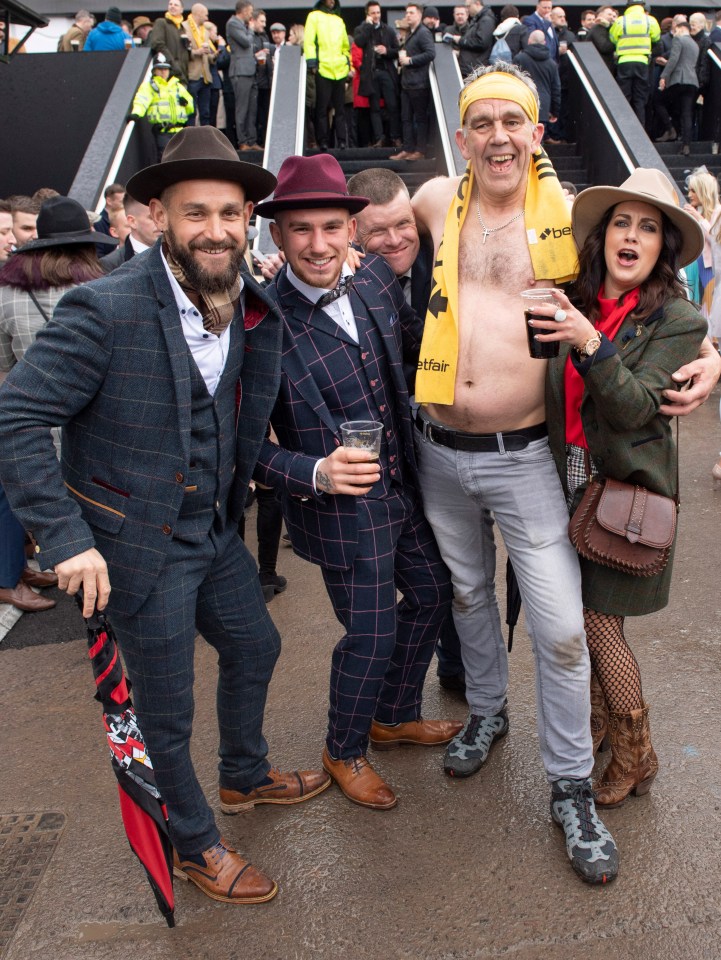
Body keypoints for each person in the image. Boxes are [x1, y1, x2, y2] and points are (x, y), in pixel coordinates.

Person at [0, 128, 330, 905]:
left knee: (256, 644)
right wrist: (69, 540)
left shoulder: (250, 301)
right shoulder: (103, 307)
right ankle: (193, 842)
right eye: (194, 214)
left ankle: (245, 777)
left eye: (228, 214)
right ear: (157, 215)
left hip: (212, 530)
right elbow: (15, 416)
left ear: (247, 217)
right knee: (167, 711)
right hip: (131, 547)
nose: (214, 230)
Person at [253, 153, 459, 812]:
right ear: (278, 238)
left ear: (351, 229)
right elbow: (239, 448)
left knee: (432, 591)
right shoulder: (258, 323)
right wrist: (311, 471)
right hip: (340, 510)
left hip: (402, 485)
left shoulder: (372, 278)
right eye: (300, 230)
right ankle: (342, 749)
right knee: (368, 635)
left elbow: (405, 356)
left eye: (329, 227)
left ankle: (392, 714)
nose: (317, 243)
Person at [538, 169, 707, 807]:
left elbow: (636, 408)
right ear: (603, 235)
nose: (631, 236)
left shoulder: (679, 320)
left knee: (599, 620)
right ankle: (602, 723)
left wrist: (590, 343)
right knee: (573, 616)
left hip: (623, 492)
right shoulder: (573, 297)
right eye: (622, 223)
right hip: (563, 477)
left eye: (648, 227)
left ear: (664, 246)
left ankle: (637, 750)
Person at [0, 197, 111, 613]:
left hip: (34, 433)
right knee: (103, 523)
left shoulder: (6, 295)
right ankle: (109, 609)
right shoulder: (104, 290)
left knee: (54, 517)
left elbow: (5, 374)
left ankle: (88, 606)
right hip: (97, 430)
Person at [389, 3, 435, 162]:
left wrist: (411, 60)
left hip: (419, 83)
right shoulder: (411, 33)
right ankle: (408, 149)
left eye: (411, 13)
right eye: (406, 13)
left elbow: (431, 53)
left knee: (419, 119)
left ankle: (420, 150)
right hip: (407, 83)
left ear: (419, 15)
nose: (407, 15)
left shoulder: (423, 33)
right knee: (406, 118)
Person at [353, 1, 401, 148]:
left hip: (386, 71)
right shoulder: (362, 29)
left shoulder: (389, 30)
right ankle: (379, 138)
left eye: (378, 12)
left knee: (392, 105)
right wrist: (368, 27)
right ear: (367, 14)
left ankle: (395, 137)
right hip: (371, 74)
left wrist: (386, 51)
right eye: (373, 13)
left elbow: (397, 51)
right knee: (374, 108)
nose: (376, 15)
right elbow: (359, 42)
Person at [304, 0, 350, 151]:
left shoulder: (339, 20)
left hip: (340, 69)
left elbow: (345, 45)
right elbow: (309, 41)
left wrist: (346, 61)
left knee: (340, 109)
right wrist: (312, 63)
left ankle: (342, 141)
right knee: (322, 108)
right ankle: (323, 141)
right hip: (323, 68)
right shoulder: (314, 16)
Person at [129, 55, 194, 161]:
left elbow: (191, 107)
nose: (163, 72)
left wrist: (186, 103)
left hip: (179, 130)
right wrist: (136, 113)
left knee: (182, 158)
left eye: (166, 69)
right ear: (154, 71)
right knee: (165, 158)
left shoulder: (177, 86)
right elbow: (141, 100)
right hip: (163, 131)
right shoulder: (150, 86)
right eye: (160, 69)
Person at [683, 169, 721, 348]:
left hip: (712, 270)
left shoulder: (717, 213)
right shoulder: (703, 213)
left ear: (703, 191)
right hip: (699, 266)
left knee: (711, 310)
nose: (689, 195)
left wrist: (698, 218)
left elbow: (716, 239)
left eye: (693, 191)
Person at [609, 0, 660, 125]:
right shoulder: (650, 20)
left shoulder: (621, 21)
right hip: (642, 62)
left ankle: (622, 127)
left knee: (624, 97)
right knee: (640, 99)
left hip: (624, 62)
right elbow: (656, 37)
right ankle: (640, 129)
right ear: (642, 6)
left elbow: (612, 38)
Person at [655, 16, 698, 156]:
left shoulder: (678, 39)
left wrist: (664, 76)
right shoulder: (694, 44)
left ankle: (670, 129)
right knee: (686, 113)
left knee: (659, 101)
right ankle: (686, 145)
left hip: (678, 79)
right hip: (692, 81)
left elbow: (674, 59)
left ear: (680, 28)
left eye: (676, 29)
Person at [100, 193, 163, 272]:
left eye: (162, 215)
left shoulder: (174, 253)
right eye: (151, 217)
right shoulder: (111, 264)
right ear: (132, 221)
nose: (161, 222)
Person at [226, 0, 259, 150]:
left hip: (250, 71)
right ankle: (242, 141)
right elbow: (246, 42)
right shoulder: (232, 23)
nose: (251, 15)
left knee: (252, 108)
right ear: (243, 11)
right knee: (242, 108)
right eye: (250, 12)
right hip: (240, 71)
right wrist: (251, 30)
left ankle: (252, 141)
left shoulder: (242, 26)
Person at [513, 30, 560, 128]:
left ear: (529, 41)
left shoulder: (519, 59)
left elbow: (513, 83)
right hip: (543, 107)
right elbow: (556, 89)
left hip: (524, 104)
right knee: (539, 139)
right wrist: (555, 111)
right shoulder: (552, 63)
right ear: (544, 43)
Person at [184, 3, 218, 126]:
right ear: (198, 14)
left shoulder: (205, 30)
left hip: (206, 76)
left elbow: (206, 53)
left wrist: (213, 56)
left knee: (205, 112)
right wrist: (196, 52)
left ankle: (205, 138)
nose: (207, 18)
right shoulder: (184, 28)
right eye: (206, 15)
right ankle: (191, 139)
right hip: (193, 75)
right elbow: (183, 51)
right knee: (191, 111)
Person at [450, 0, 496, 78]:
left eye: (468, 6)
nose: (467, 9)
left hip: (475, 69)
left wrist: (461, 40)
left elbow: (481, 42)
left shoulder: (486, 20)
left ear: (477, 3)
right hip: (471, 68)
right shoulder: (479, 20)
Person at [150, 0, 190, 84]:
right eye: (170, 4)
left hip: (182, 75)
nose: (172, 6)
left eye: (176, 5)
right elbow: (157, 43)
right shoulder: (161, 22)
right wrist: (173, 65)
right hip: (167, 73)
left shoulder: (182, 28)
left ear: (181, 9)